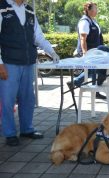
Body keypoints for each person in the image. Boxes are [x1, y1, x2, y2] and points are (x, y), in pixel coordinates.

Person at [0, 0, 60, 146]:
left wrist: (51, 51)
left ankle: (27, 129)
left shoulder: (29, 10)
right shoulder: (2, 8)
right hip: (9, 63)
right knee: (7, 100)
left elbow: (38, 36)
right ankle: (9, 133)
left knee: (28, 98)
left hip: (28, 63)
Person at [68, 2, 106, 99]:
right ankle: (77, 83)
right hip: (88, 51)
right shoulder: (84, 21)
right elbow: (82, 39)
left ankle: (77, 83)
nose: (96, 11)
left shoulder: (93, 21)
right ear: (88, 10)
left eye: (96, 9)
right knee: (93, 70)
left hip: (94, 51)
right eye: (94, 9)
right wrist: (85, 53)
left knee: (93, 70)